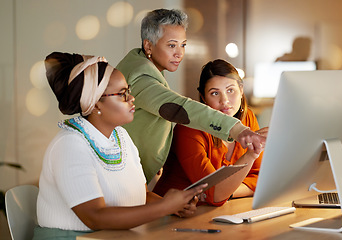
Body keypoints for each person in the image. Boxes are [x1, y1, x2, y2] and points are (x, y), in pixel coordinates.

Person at [34, 52, 206, 239]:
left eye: (129, 90)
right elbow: (95, 217)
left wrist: (173, 206)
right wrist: (164, 207)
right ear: (97, 103)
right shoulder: (69, 145)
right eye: (123, 94)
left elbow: (141, 196)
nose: (132, 99)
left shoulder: (120, 136)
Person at [116, 8, 267, 184]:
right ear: (148, 46)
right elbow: (180, 107)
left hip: (135, 179)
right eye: (172, 45)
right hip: (122, 177)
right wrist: (238, 130)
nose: (179, 53)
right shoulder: (140, 76)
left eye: (183, 45)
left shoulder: (143, 65)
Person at [153, 59, 266, 206]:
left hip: (217, 211)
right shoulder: (188, 129)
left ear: (241, 90)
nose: (224, 101)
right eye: (214, 93)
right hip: (171, 215)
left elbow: (261, 179)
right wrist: (251, 155)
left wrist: (228, 191)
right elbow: (215, 195)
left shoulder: (247, 118)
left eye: (230, 90)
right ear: (203, 97)